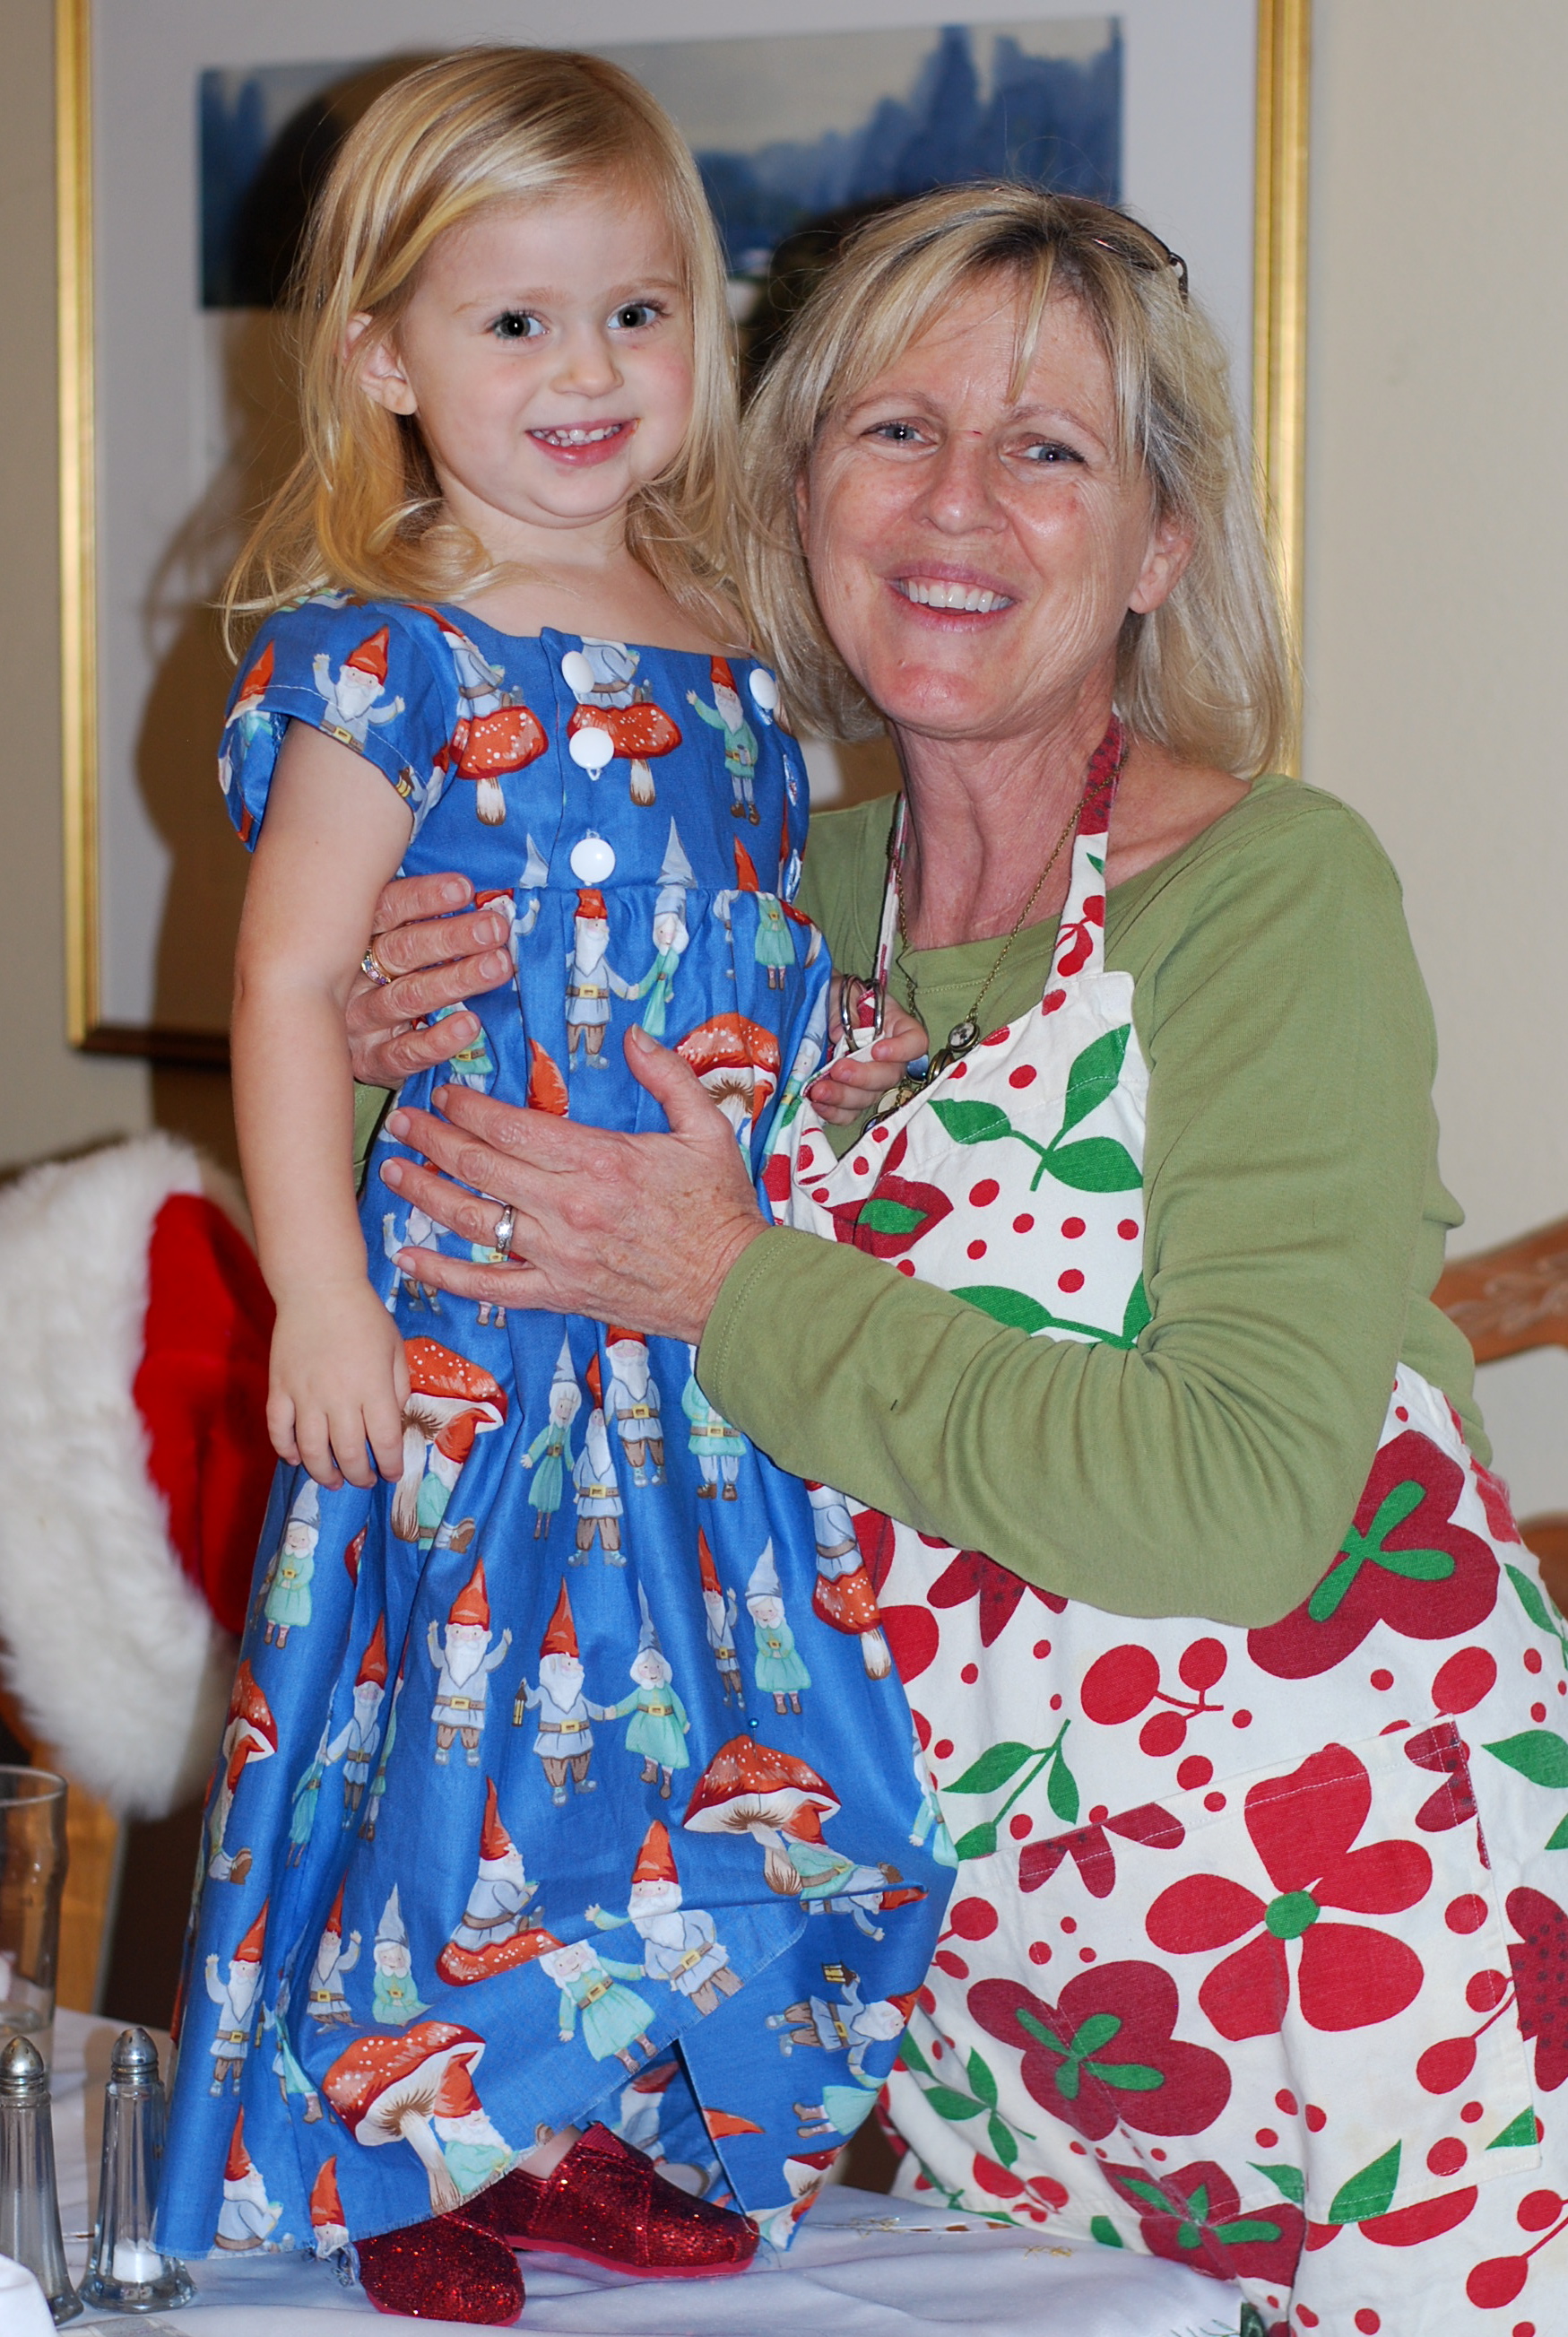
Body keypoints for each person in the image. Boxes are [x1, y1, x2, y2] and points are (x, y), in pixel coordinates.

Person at [364, 186, 1568, 2334]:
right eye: (895, 430)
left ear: (1157, 545)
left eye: (1048, 450)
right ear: (799, 490)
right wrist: (385, 1056)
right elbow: (549, 1350)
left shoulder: (1269, 891)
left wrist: (729, 1279)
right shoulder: (749, 889)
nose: (955, 505)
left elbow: (1233, 1501)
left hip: (1383, 1993)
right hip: (991, 2032)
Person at [159, 52, 947, 2327]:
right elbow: (290, 982)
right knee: (467, 1731)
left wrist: (827, 1034)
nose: (584, 369)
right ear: (382, 360)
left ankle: (581, 2116)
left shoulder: (739, 649)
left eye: (634, 312)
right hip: (476, 1322)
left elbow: (717, 943)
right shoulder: (382, 650)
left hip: (690, 1334)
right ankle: (404, 2148)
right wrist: (320, 1296)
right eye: (513, 322)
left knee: (701, 1738)